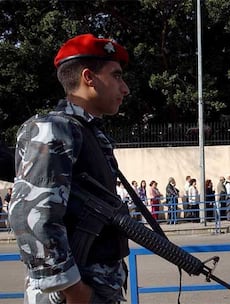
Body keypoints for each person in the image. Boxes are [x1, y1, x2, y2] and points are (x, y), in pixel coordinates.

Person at [8, 33, 130, 304]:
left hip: (97, 286)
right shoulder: (54, 129)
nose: (125, 88)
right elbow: (29, 217)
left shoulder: (87, 133)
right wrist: (75, 292)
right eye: (117, 76)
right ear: (89, 77)